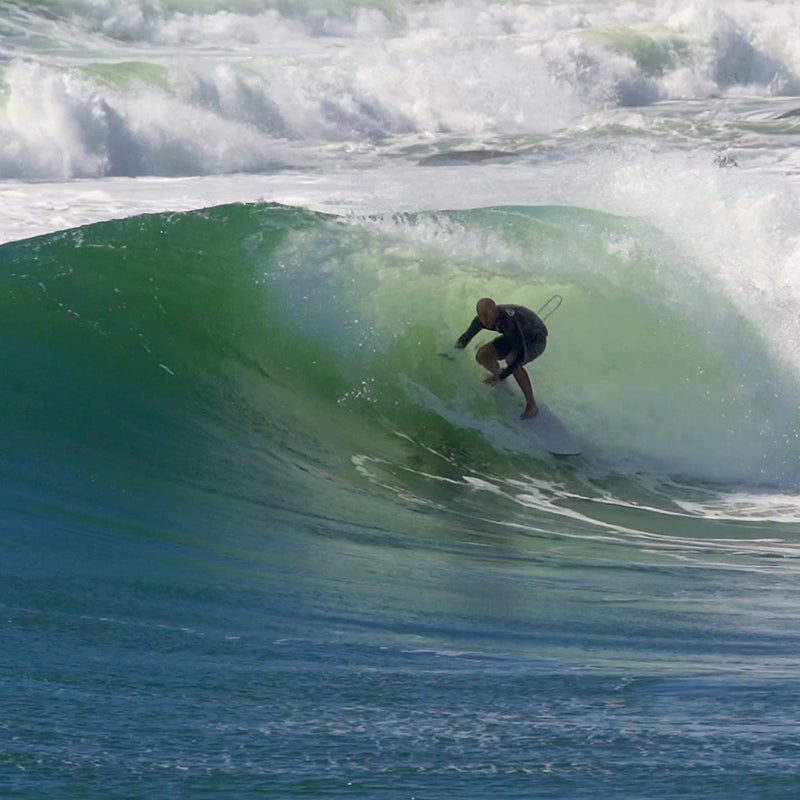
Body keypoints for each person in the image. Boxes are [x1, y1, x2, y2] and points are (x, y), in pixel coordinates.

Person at [455, 297, 547, 419]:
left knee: (512, 361)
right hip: (513, 336)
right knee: (482, 355)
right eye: (481, 316)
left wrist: (502, 375)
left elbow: (519, 356)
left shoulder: (509, 321)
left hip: (535, 338)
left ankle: (532, 406)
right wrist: (453, 353)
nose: (485, 320)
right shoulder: (481, 320)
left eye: (487, 315)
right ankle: (498, 376)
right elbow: (465, 337)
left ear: (496, 310)